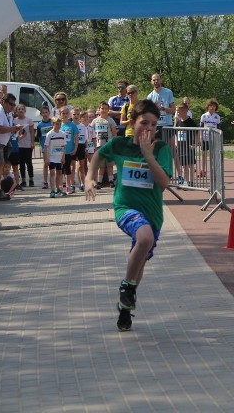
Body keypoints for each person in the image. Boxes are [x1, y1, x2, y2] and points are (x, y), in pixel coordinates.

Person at [85, 99, 173, 332]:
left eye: (154, 125)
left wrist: (149, 155)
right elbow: (98, 156)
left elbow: (163, 183)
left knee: (140, 260)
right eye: (144, 123)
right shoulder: (119, 144)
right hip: (125, 208)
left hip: (152, 213)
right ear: (133, 123)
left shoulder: (161, 149)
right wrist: (89, 177)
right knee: (144, 239)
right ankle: (127, 288)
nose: (150, 129)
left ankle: (125, 307)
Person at [90, 102, 117, 188]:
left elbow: (114, 133)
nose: (104, 110)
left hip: (108, 145)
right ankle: (99, 181)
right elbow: (91, 133)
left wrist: (113, 144)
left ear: (108, 110)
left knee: (109, 164)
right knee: (101, 165)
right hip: (99, 145)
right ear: (99, 109)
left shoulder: (110, 120)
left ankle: (111, 180)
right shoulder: (95, 121)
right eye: (102, 108)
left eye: (106, 108)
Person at [172, 103, 197, 185]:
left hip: (189, 146)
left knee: (190, 165)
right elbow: (175, 133)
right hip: (181, 147)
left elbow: (196, 133)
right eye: (177, 112)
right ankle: (186, 181)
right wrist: (175, 141)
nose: (177, 114)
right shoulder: (178, 122)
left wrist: (195, 143)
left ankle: (191, 181)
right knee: (184, 165)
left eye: (178, 112)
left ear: (184, 112)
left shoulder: (191, 122)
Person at [147, 73, 175, 140]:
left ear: (161, 80)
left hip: (167, 124)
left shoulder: (168, 92)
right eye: (154, 80)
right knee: (156, 146)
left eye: (157, 79)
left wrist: (164, 109)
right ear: (151, 82)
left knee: (167, 147)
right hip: (155, 125)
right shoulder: (149, 96)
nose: (156, 81)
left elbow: (173, 110)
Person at [44, 117, 67, 198]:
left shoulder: (63, 134)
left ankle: (59, 189)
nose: (58, 126)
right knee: (52, 173)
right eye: (57, 124)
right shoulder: (49, 134)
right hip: (52, 157)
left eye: (60, 124)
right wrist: (46, 158)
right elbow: (46, 146)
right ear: (53, 124)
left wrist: (63, 157)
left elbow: (64, 147)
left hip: (59, 157)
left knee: (59, 173)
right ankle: (52, 190)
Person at [14, 104, 35, 188]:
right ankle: (23, 180)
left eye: (22, 109)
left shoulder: (29, 120)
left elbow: (32, 132)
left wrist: (32, 142)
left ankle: (31, 179)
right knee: (21, 163)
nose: (21, 110)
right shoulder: (14, 121)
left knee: (29, 162)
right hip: (19, 145)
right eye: (19, 109)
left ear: (25, 110)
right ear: (16, 111)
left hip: (27, 144)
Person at [199, 98, 221, 178]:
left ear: (216, 107)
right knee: (203, 154)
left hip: (213, 138)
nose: (212, 108)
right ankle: (202, 170)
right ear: (208, 107)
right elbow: (201, 127)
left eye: (213, 106)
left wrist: (218, 138)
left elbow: (219, 128)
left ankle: (213, 170)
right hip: (205, 137)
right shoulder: (204, 116)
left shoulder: (217, 117)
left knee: (213, 155)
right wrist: (200, 137)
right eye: (210, 106)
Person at [60, 108, 79, 194]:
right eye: (63, 113)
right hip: (59, 151)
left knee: (68, 169)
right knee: (60, 170)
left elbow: (76, 138)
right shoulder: (58, 125)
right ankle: (60, 187)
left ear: (69, 114)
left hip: (69, 151)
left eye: (66, 113)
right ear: (60, 114)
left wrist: (75, 148)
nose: (65, 115)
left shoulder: (72, 125)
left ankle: (68, 186)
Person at [36, 105, 53, 188]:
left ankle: (54, 181)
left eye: (46, 112)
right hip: (45, 146)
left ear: (49, 113)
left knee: (54, 164)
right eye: (43, 113)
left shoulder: (53, 123)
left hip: (54, 146)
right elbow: (39, 137)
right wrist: (42, 146)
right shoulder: (39, 125)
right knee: (46, 163)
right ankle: (45, 182)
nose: (45, 114)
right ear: (41, 114)